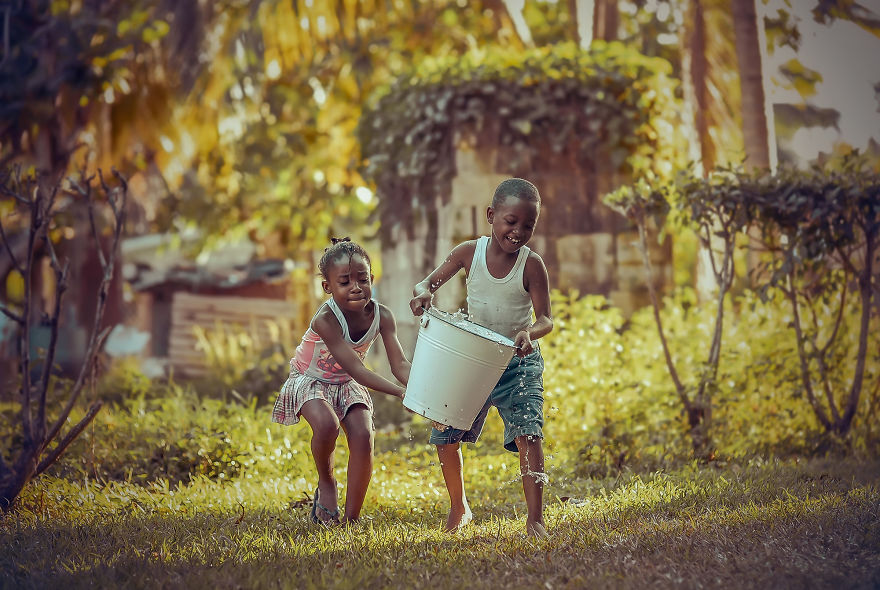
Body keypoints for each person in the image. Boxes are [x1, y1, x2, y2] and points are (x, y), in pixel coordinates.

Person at [409, 177, 553, 538]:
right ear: (491, 215)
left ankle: (535, 520)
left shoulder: (532, 265)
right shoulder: (468, 253)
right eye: (510, 221)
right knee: (445, 432)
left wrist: (528, 333)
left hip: (518, 363)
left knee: (529, 434)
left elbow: (547, 320)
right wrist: (423, 294)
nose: (518, 231)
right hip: (471, 358)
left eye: (528, 225)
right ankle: (459, 507)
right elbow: (426, 283)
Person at [272, 238, 411, 525]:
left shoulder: (382, 316)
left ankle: (351, 518)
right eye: (345, 282)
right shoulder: (326, 319)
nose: (356, 287)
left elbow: (400, 364)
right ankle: (327, 483)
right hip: (310, 380)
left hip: (345, 384)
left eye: (362, 279)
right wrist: (400, 393)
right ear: (328, 287)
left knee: (363, 435)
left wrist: (419, 390)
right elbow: (358, 370)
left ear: (372, 278)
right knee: (326, 425)